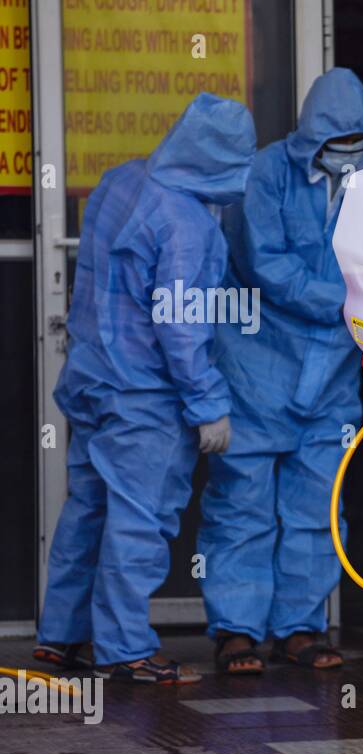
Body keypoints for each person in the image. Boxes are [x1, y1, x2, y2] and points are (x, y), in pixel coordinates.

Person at [34, 93, 256, 684]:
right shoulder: (189, 226)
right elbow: (180, 327)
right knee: (139, 523)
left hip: (93, 381)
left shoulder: (121, 180)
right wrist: (209, 405)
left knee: (87, 511)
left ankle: (61, 636)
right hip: (145, 400)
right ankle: (126, 650)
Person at [197, 69, 363, 675]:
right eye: (337, 140)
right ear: (309, 136)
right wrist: (353, 302)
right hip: (256, 370)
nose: (349, 152)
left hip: (331, 380)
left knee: (316, 505)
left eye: (360, 140)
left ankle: (300, 628)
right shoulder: (267, 173)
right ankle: (236, 631)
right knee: (241, 504)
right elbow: (264, 264)